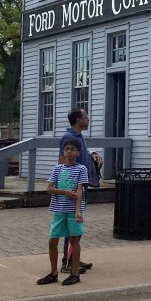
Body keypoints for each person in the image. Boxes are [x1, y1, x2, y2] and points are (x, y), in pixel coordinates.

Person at [36, 139, 87, 286]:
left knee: (74, 240)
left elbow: (79, 190)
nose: (69, 152)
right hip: (59, 210)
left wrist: (78, 211)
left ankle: (75, 273)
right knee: (53, 241)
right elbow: (50, 188)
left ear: (78, 153)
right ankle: (53, 272)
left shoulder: (81, 169)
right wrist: (64, 192)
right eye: (66, 149)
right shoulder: (58, 169)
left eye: (72, 149)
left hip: (73, 211)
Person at [59, 108, 102, 274]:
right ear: (78, 120)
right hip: (74, 187)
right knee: (72, 225)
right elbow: (63, 160)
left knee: (76, 226)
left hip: (81, 186)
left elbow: (78, 156)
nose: (88, 119)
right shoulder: (68, 137)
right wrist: (67, 187)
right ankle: (67, 261)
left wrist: (91, 155)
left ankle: (73, 257)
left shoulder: (77, 136)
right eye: (85, 117)